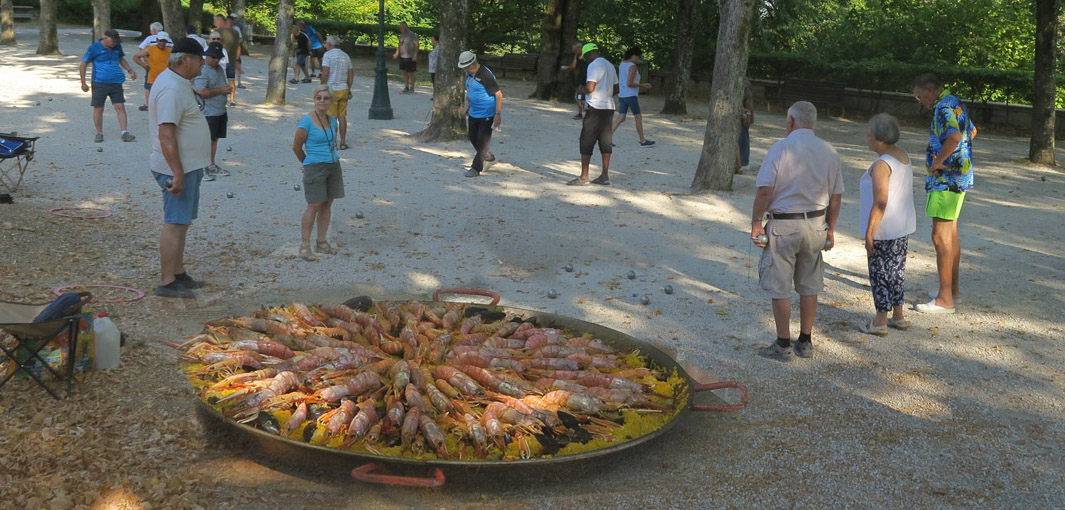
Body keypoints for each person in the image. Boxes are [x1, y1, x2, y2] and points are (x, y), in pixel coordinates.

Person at [750, 101, 843, 361]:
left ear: (791, 121)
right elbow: (836, 197)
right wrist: (831, 228)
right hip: (816, 223)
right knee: (809, 283)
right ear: (812, 122)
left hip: (784, 224)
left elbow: (764, 190)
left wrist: (757, 222)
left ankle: (782, 344)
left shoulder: (781, 148)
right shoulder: (829, 151)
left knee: (780, 285)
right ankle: (805, 340)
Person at [149, 38, 211, 299]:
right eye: (200, 59)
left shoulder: (179, 82)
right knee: (174, 223)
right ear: (185, 59)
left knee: (182, 222)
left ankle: (178, 272)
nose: (203, 64)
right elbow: (166, 133)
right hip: (178, 169)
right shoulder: (172, 89)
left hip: (188, 166)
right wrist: (176, 172)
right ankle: (166, 281)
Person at [912, 72, 977, 314]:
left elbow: (955, 136)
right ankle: (952, 290)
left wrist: (938, 162)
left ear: (930, 90)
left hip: (945, 180)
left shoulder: (942, 107)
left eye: (920, 96)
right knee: (951, 234)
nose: (920, 101)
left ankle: (944, 299)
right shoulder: (956, 102)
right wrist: (962, 156)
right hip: (961, 177)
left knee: (940, 237)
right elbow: (972, 131)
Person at [858, 113, 917, 336]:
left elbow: (880, 202)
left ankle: (880, 321)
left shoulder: (883, 164)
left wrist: (870, 232)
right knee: (896, 271)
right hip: (901, 225)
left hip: (884, 227)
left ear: (880, 139)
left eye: (869, 134)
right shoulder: (902, 155)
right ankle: (898, 315)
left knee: (879, 273)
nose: (867, 138)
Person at [292, 86, 344, 262]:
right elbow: (296, 147)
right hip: (315, 166)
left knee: (328, 203)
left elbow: (333, 141)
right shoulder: (306, 122)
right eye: (319, 97)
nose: (322, 101)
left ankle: (322, 241)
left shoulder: (332, 120)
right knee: (314, 204)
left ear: (331, 101)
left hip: (332, 164)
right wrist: (307, 164)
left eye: (326, 98)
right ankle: (304, 246)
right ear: (314, 100)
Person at [567, 43, 618, 186]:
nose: (586, 60)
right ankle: (604, 175)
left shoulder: (594, 65)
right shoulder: (610, 65)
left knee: (586, 140)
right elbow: (616, 89)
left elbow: (590, 88)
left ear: (589, 54)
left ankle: (584, 176)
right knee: (605, 141)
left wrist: (580, 90)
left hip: (595, 107)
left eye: (586, 57)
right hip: (608, 108)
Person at [79, 29, 138, 143]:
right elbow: (83, 64)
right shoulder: (94, 48)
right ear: (106, 38)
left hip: (116, 82)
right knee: (98, 108)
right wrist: (83, 82)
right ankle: (99, 133)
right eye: (113, 41)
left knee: (120, 106)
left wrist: (130, 70)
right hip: (99, 82)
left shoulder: (117, 47)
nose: (115, 44)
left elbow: (121, 59)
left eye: (116, 42)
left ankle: (124, 132)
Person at [458, 51, 502, 178]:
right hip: (474, 112)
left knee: (483, 141)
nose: (464, 70)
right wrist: (467, 105)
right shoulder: (469, 73)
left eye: (465, 67)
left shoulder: (485, 75)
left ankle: (476, 168)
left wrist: (498, 114)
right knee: (472, 137)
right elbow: (470, 89)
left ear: (472, 64)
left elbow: (498, 94)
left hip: (487, 113)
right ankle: (488, 157)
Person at [193, 43, 233, 181]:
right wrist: (221, 91)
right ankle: (201, 169)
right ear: (207, 56)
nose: (217, 60)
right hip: (208, 112)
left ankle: (211, 165)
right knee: (205, 141)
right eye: (214, 57)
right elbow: (200, 91)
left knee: (214, 140)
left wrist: (226, 89)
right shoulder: (203, 70)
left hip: (219, 111)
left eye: (219, 58)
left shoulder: (219, 69)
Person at [610, 45, 654, 147]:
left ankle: (607, 137)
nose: (639, 59)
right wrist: (643, 85)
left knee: (621, 117)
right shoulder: (632, 66)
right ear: (634, 56)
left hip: (622, 95)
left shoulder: (622, 64)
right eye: (638, 57)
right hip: (630, 95)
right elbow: (629, 83)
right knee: (638, 117)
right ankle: (642, 140)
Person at [320, 36, 353, 151]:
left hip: (332, 89)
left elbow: (325, 72)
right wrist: (349, 88)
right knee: (342, 116)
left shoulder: (328, 55)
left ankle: (333, 143)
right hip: (343, 89)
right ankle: (343, 142)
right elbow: (350, 74)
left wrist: (321, 86)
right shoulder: (345, 56)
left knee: (331, 118)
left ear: (329, 44)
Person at [133, 31, 171, 112]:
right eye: (161, 41)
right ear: (157, 40)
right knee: (154, 101)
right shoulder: (150, 49)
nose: (162, 43)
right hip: (153, 79)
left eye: (164, 41)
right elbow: (136, 57)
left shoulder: (170, 50)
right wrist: (144, 66)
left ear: (167, 42)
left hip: (166, 79)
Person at [213, 14, 241, 106]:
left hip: (219, 60)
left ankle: (219, 98)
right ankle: (232, 100)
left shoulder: (217, 32)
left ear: (220, 22)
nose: (214, 23)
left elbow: (213, 46)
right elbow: (238, 47)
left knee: (217, 80)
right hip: (232, 60)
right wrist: (237, 60)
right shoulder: (235, 33)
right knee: (231, 80)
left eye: (215, 21)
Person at [560, 43, 587, 119]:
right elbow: (573, 66)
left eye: (575, 50)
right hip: (580, 79)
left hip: (588, 79)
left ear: (580, 48)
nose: (574, 52)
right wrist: (567, 67)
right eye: (573, 50)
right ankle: (580, 113)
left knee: (587, 96)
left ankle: (587, 111)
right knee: (579, 96)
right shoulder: (576, 56)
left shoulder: (587, 56)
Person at [393, 22, 419, 93]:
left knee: (411, 72)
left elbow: (416, 44)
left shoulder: (411, 34)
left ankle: (412, 87)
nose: (400, 29)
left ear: (406, 27)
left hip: (410, 56)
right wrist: (396, 53)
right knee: (404, 72)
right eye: (400, 27)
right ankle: (406, 87)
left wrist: (415, 55)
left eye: (402, 27)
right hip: (402, 56)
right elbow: (399, 45)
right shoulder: (401, 35)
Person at [735, 78, 754, 174]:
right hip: (743, 113)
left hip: (744, 114)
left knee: (742, 134)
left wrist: (747, 116)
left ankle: (743, 162)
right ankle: (742, 162)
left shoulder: (743, 85)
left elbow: (749, 103)